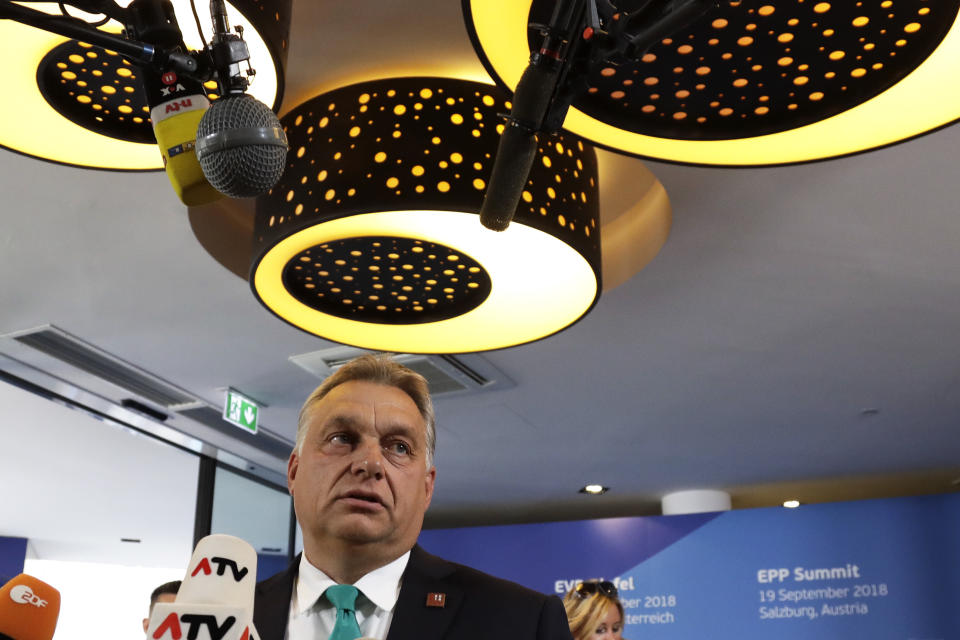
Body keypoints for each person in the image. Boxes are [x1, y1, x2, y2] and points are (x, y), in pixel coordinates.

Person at [253, 354, 573, 640]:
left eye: (399, 447)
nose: (370, 464)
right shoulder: (218, 618)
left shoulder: (524, 623)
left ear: (427, 488)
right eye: (342, 438)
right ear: (294, 471)